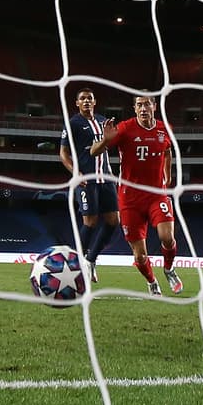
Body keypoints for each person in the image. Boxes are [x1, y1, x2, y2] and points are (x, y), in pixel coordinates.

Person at [91, 94, 182, 295]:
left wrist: (167, 174)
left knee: (167, 237)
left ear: (154, 106)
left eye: (147, 104)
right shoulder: (125, 128)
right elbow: (93, 152)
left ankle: (169, 269)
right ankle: (152, 281)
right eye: (139, 104)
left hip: (157, 194)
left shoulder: (164, 128)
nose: (143, 108)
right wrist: (105, 140)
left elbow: (167, 150)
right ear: (134, 108)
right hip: (129, 199)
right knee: (140, 256)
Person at [58, 88, 119, 284]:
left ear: (95, 102)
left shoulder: (103, 121)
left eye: (89, 98)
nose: (86, 101)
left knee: (113, 222)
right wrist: (75, 172)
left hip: (106, 178)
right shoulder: (73, 123)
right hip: (86, 179)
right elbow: (63, 153)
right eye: (82, 98)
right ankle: (76, 266)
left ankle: (91, 260)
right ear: (77, 103)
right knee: (90, 222)